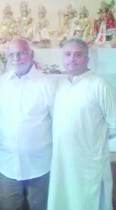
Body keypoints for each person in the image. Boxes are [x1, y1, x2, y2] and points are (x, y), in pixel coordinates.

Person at [48, 38, 116, 210]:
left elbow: (114, 123)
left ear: (87, 59)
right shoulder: (61, 85)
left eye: (78, 55)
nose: (72, 59)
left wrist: (92, 141)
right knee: (64, 200)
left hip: (88, 163)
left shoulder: (99, 84)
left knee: (87, 202)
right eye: (68, 54)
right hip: (62, 161)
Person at [0, 38, 56, 210]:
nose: (16, 58)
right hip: (8, 164)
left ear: (31, 54)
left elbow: (56, 121)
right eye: (12, 54)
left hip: (40, 164)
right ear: (6, 56)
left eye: (21, 53)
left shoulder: (47, 84)